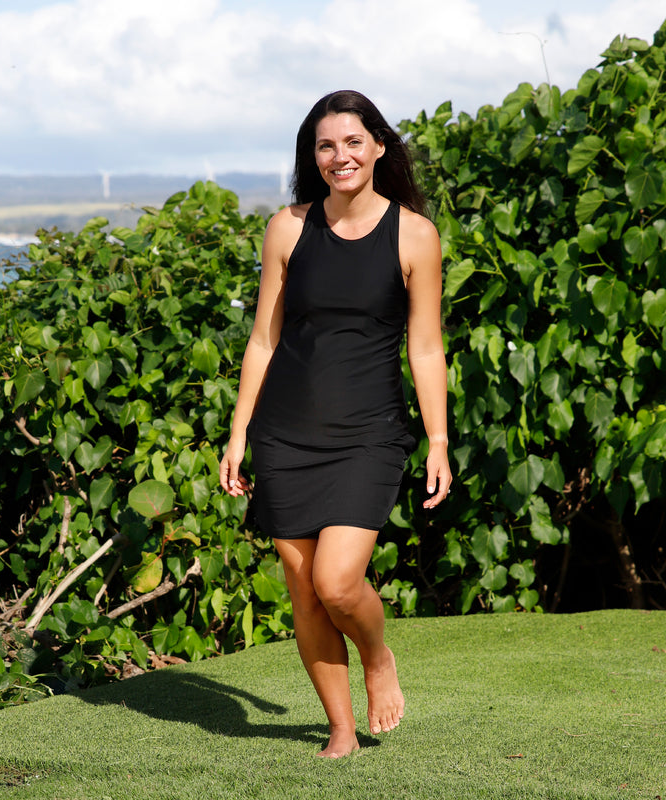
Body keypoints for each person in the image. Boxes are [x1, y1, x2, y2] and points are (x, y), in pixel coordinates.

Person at [219, 90, 451, 758]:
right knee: (305, 596)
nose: (340, 156)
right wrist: (238, 433)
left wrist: (438, 439)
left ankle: (378, 657)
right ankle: (341, 731)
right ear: (312, 156)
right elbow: (262, 339)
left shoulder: (414, 234)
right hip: (285, 434)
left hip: (369, 435)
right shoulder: (288, 228)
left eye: (353, 142)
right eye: (326, 145)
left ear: (379, 146)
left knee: (338, 583)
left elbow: (426, 346)